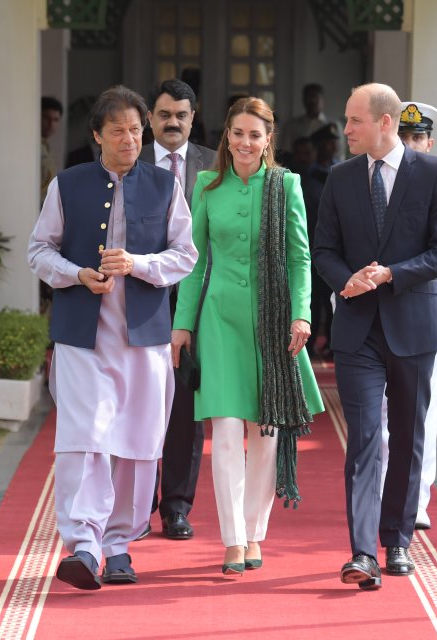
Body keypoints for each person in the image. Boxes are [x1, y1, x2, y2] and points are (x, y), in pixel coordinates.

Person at [28, 85, 198, 591]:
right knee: (84, 439)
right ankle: (83, 543)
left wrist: (139, 264)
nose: (130, 138)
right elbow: (39, 251)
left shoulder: (167, 187)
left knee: (138, 442)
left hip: (144, 338)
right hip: (82, 336)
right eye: (119, 129)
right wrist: (77, 274)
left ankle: (119, 544)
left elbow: (184, 256)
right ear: (97, 134)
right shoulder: (67, 184)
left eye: (136, 129)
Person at [312, 83, 437, 590]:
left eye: (354, 120)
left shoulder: (436, 173)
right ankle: (361, 553)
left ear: (385, 122)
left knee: (409, 438)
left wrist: (392, 273)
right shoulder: (340, 177)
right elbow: (324, 249)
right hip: (358, 332)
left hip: (416, 327)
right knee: (364, 442)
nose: (345, 129)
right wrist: (346, 280)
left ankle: (397, 541)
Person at [171, 97, 325, 576]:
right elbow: (194, 261)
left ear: (267, 141)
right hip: (219, 320)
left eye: (254, 135)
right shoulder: (205, 185)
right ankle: (232, 540)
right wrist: (182, 323)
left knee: (266, 432)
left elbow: (300, 259)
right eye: (236, 133)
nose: (244, 142)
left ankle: (255, 532)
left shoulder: (287, 186)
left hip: (274, 321)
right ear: (226, 137)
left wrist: (302, 314)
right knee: (227, 430)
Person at [376, 101, 437, 530]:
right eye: (405, 135)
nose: (412, 143)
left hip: (423, 314)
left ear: (429, 142)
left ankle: (416, 500)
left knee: (420, 413)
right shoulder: (376, 178)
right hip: (377, 311)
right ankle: (380, 493)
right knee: (379, 413)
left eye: (418, 137)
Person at [140, 78, 217, 540]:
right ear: (150, 117)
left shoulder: (215, 165)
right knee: (141, 403)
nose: (173, 123)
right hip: (142, 301)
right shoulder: (127, 161)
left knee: (187, 408)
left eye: (181, 115)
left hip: (199, 303)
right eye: (164, 114)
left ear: (193, 116)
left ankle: (177, 507)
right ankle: (138, 503)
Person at [302, 123, 340, 360]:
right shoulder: (306, 177)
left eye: (333, 142)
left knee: (334, 298)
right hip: (310, 247)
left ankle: (335, 345)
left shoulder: (343, 171)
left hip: (336, 251)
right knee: (313, 299)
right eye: (326, 142)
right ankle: (310, 344)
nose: (331, 146)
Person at [281, 83, 346, 163]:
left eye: (315, 97)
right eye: (309, 97)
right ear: (304, 100)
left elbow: (339, 154)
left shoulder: (334, 125)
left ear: (322, 100)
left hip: (327, 171)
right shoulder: (292, 125)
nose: (312, 101)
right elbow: (287, 153)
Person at [40, 96, 63, 202]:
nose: (51, 124)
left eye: (55, 120)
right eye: (46, 118)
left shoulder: (45, 146)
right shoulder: (33, 146)